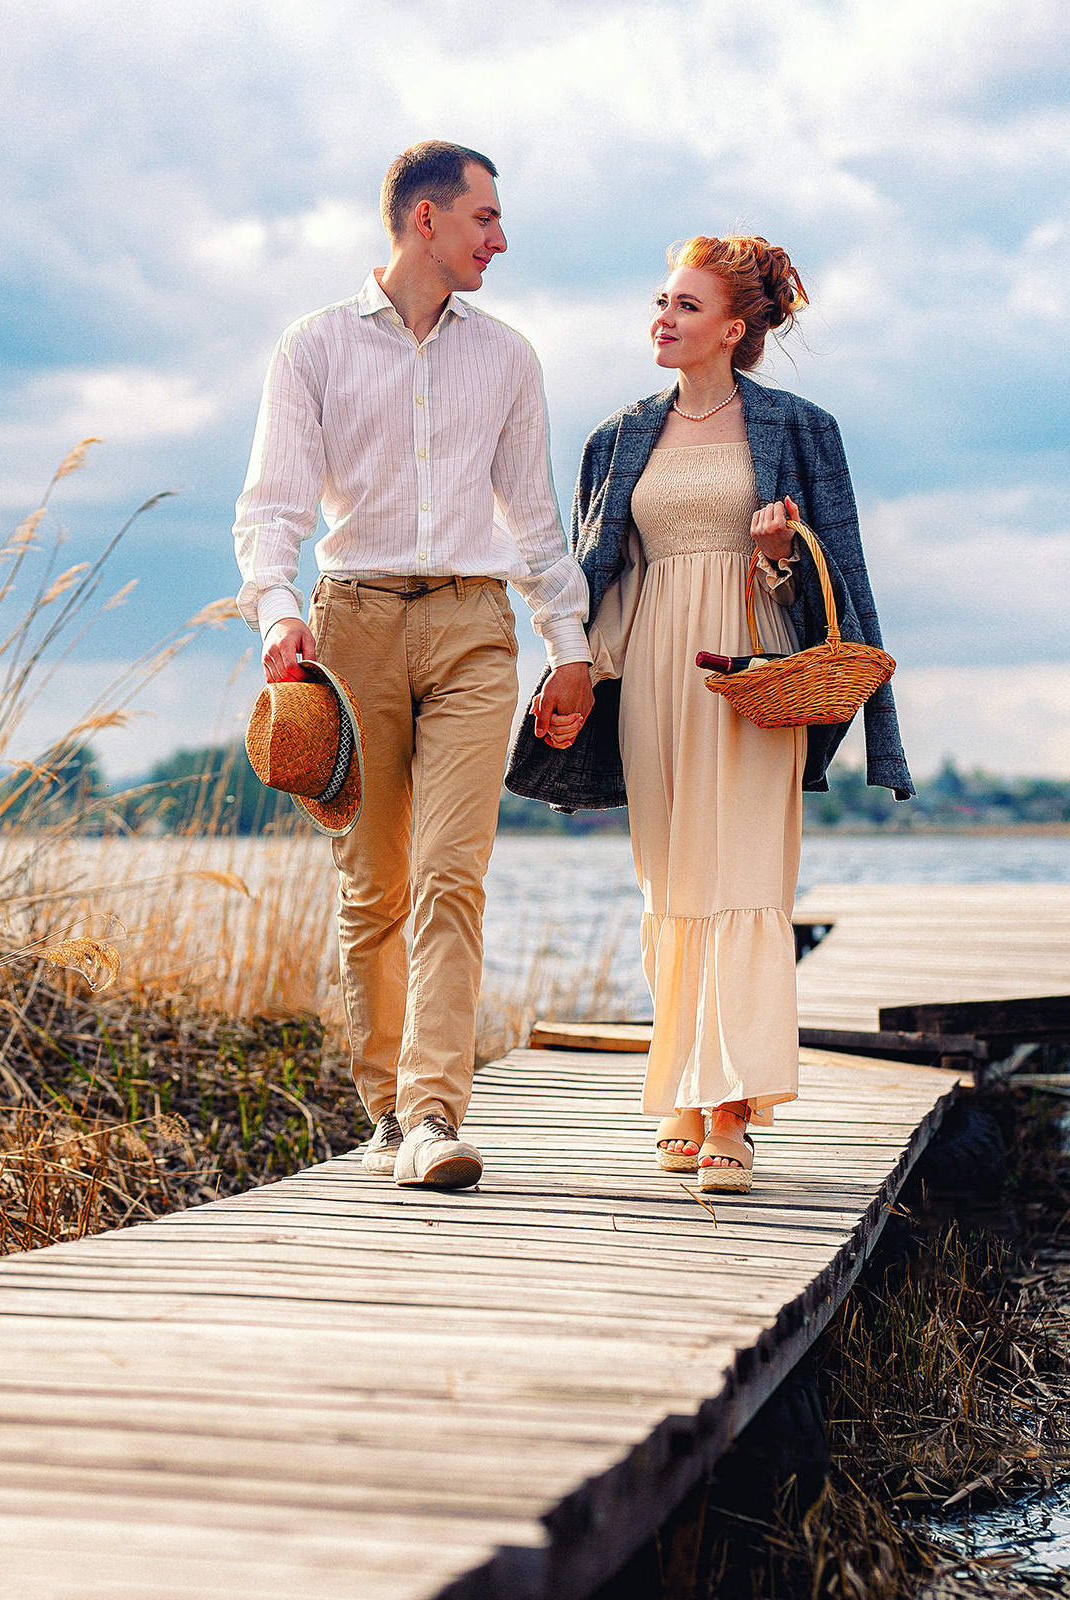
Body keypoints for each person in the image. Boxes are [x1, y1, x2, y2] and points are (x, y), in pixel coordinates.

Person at [233, 140, 595, 1190]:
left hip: (476, 627)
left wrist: (566, 647)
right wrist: (275, 616)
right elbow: (274, 508)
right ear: (424, 220)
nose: (501, 237)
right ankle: (386, 1110)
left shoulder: (509, 358)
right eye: (485, 217)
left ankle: (437, 1113)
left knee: (453, 873)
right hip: (353, 627)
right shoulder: (312, 348)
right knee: (375, 885)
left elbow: (534, 521)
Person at [570, 235, 913, 1194]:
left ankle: (733, 1111)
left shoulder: (801, 428)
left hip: (754, 672)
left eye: (685, 305)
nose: (662, 317)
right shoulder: (617, 436)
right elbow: (603, 571)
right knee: (672, 881)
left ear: (733, 328)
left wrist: (775, 556)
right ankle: (683, 1085)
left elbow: (831, 574)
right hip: (652, 673)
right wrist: (579, 676)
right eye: (660, 301)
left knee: (747, 878)